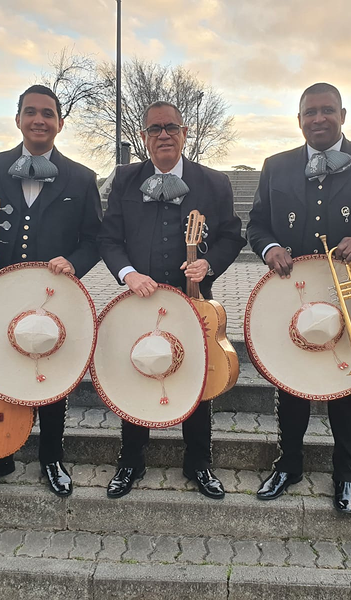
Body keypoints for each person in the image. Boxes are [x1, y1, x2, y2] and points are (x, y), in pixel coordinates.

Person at [247, 82, 351, 512]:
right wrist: (270, 249)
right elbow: (257, 225)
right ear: (299, 119)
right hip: (292, 295)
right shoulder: (275, 165)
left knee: (345, 385)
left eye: (326, 111)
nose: (318, 119)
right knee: (290, 384)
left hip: (350, 294)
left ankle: (346, 474)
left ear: (343, 114)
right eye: (309, 112)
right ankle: (288, 466)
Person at [0, 84, 102, 497]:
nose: (39, 119)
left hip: (52, 296)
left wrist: (74, 262)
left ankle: (51, 458)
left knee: (50, 373)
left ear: (60, 123)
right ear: (18, 118)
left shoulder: (82, 177)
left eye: (48, 113)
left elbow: (94, 238)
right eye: (31, 112)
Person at [98, 100, 246, 499]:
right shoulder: (125, 179)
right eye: (154, 129)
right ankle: (131, 461)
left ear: (184, 133)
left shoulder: (214, 182)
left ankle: (199, 463)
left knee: (197, 380)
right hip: (138, 301)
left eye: (171, 127)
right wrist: (128, 275)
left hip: (194, 302)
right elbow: (109, 239)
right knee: (136, 374)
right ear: (144, 137)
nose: (163, 135)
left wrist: (209, 265)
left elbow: (233, 236)